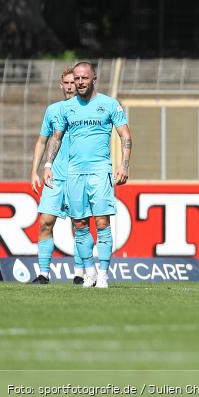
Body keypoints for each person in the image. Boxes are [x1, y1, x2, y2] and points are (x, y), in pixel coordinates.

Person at [43, 62, 132, 289]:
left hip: (100, 171)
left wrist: (124, 165)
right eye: (77, 78)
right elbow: (56, 137)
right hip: (74, 173)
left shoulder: (110, 105)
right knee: (80, 224)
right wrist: (48, 164)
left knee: (102, 222)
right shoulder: (67, 108)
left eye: (84, 78)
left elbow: (125, 136)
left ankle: (103, 274)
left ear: (94, 78)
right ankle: (89, 271)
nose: (80, 82)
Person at [29, 67, 84, 284]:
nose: (71, 86)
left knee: (79, 225)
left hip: (79, 176)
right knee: (45, 222)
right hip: (55, 177)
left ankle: (80, 273)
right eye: (67, 83)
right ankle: (44, 273)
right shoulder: (53, 110)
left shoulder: (86, 109)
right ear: (61, 85)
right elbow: (42, 141)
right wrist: (34, 171)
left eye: (74, 82)